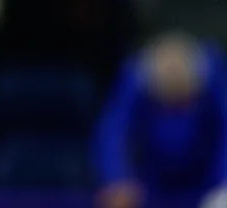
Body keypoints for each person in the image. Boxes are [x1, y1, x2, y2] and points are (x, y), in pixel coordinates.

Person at [95, 34, 227, 208]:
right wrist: (118, 178)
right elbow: (112, 133)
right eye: (168, 107)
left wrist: (223, 181)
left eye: (181, 106)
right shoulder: (135, 77)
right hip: (152, 181)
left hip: (206, 179)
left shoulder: (213, 73)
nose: (175, 115)